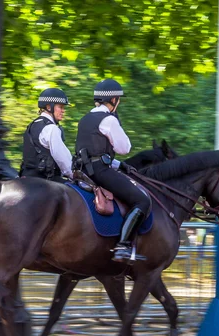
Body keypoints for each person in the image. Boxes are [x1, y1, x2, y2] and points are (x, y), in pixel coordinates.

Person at [74, 79, 151, 262]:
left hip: (83, 171)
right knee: (142, 200)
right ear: (114, 99)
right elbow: (125, 148)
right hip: (100, 172)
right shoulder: (108, 119)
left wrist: (119, 165)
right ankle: (123, 246)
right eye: (119, 99)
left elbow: (93, 153)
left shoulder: (85, 119)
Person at [20, 88, 73, 183]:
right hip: (47, 181)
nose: (63, 111)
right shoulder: (51, 128)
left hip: (26, 178)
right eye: (60, 107)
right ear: (49, 107)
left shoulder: (31, 125)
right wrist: (74, 175)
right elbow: (63, 160)